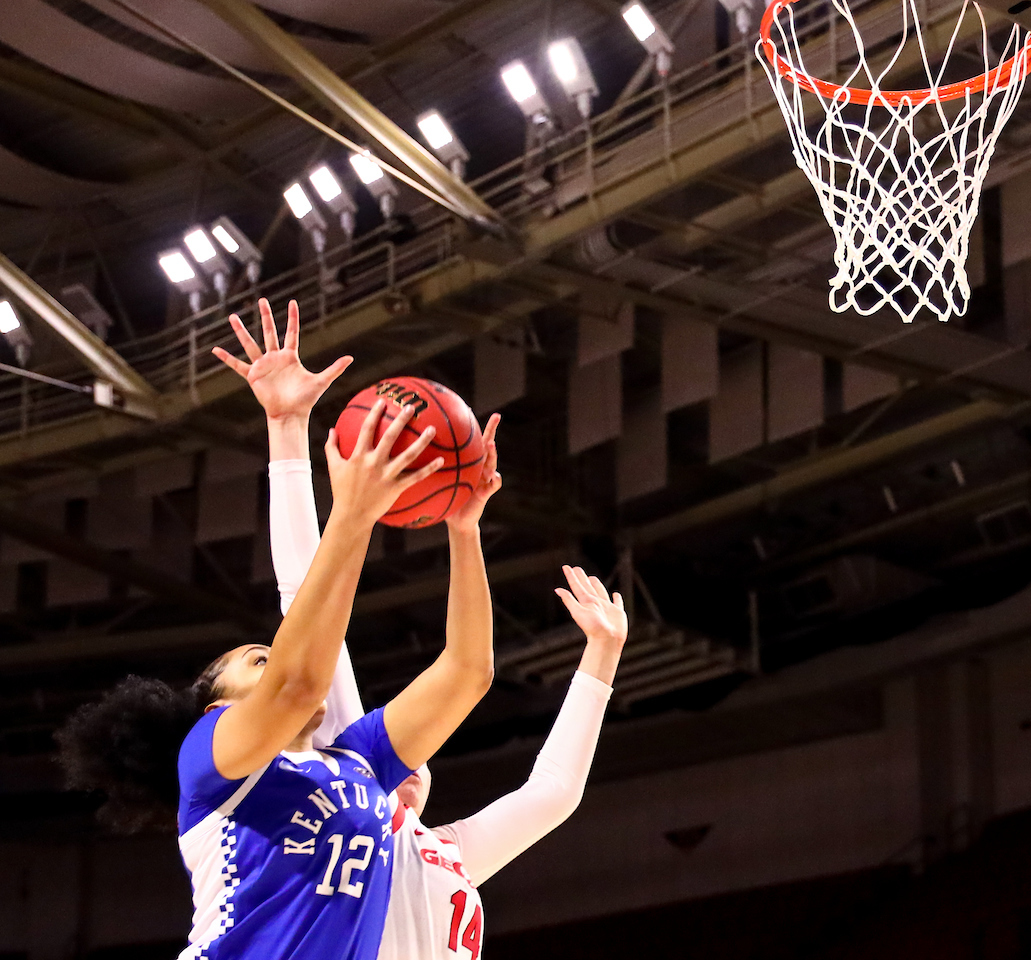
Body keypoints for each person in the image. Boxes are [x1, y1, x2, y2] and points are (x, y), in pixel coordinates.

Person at [56, 299, 501, 960]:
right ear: (217, 707)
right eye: (255, 660)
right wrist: (349, 513)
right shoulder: (208, 764)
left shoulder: (358, 765)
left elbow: (468, 672)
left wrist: (464, 531)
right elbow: (297, 679)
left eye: (268, 654)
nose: (276, 656)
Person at [253, 311, 628, 960]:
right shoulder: (349, 786)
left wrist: (601, 654)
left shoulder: (445, 852)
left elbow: (554, 792)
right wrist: (285, 435)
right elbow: (306, 609)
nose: (410, 761)